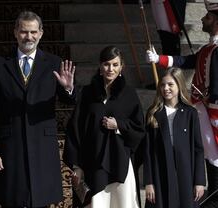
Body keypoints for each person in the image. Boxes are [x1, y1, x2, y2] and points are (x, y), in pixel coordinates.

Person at [0, 10, 76, 207]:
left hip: (42, 145)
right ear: (15, 32)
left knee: (41, 200)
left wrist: (68, 89)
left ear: (41, 33)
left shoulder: (54, 63)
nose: (29, 37)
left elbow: (70, 102)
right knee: (12, 199)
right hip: (10, 146)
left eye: (34, 32)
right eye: (24, 32)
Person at [146, 1, 218, 206]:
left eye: (208, 17)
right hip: (204, 113)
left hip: (213, 115)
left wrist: (211, 96)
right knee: (210, 162)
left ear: (216, 21)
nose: (204, 19)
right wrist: (158, 58)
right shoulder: (209, 47)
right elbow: (186, 62)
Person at [63, 46, 145, 208]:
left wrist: (118, 125)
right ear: (100, 66)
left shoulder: (129, 94)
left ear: (121, 67)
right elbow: (76, 129)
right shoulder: (87, 93)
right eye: (107, 64)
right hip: (93, 164)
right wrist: (77, 166)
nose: (110, 69)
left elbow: (139, 129)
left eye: (115, 65)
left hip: (121, 164)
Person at [144, 68, 205, 208]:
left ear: (179, 85)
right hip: (160, 173)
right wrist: (149, 182)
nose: (166, 88)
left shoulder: (191, 113)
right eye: (162, 84)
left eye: (170, 84)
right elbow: (147, 150)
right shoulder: (153, 113)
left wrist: (199, 181)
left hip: (186, 173)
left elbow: (198, 149)